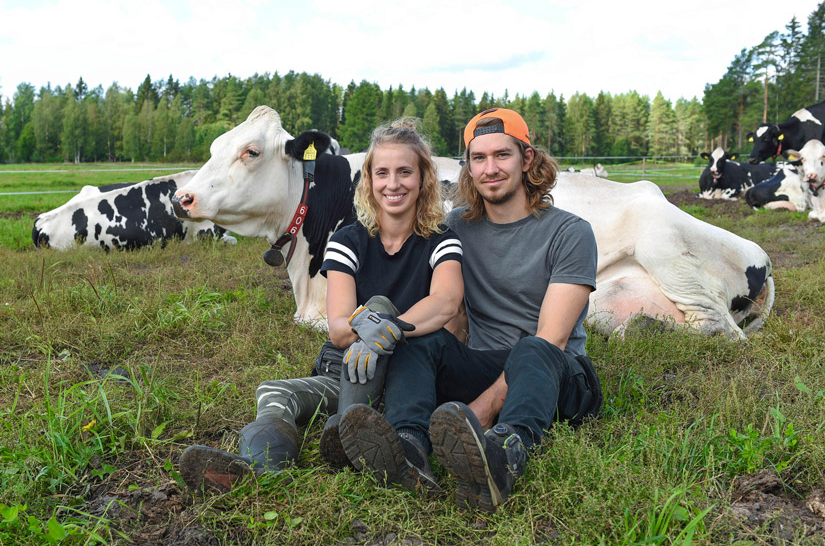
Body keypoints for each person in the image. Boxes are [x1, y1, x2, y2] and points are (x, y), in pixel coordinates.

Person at [337, 108, 603, 512]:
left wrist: (485, 407)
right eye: (479, 158)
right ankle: (409, 448)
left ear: (527, 159)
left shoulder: (569, 232)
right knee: (418, 334)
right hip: (484, 361)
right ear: (468, 167)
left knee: (532, 349)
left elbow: (555, 337)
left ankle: (503, 454)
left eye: (502, 155)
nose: (490, 169)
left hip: (556, 372)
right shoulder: (456, 227)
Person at [178, 119, 464, 494]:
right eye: (382, 173)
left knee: (378, 305)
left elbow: (446, 302)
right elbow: (339, 329)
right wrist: (365, 329)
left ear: (424, 178)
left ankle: (352, 431)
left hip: (409, 374)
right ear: (369, 180)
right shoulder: (347, 239)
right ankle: (263, 467)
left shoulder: (441, 239)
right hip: (346, 370)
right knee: (274, 391)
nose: (392, 184)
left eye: (404, 172)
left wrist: (384, 327)